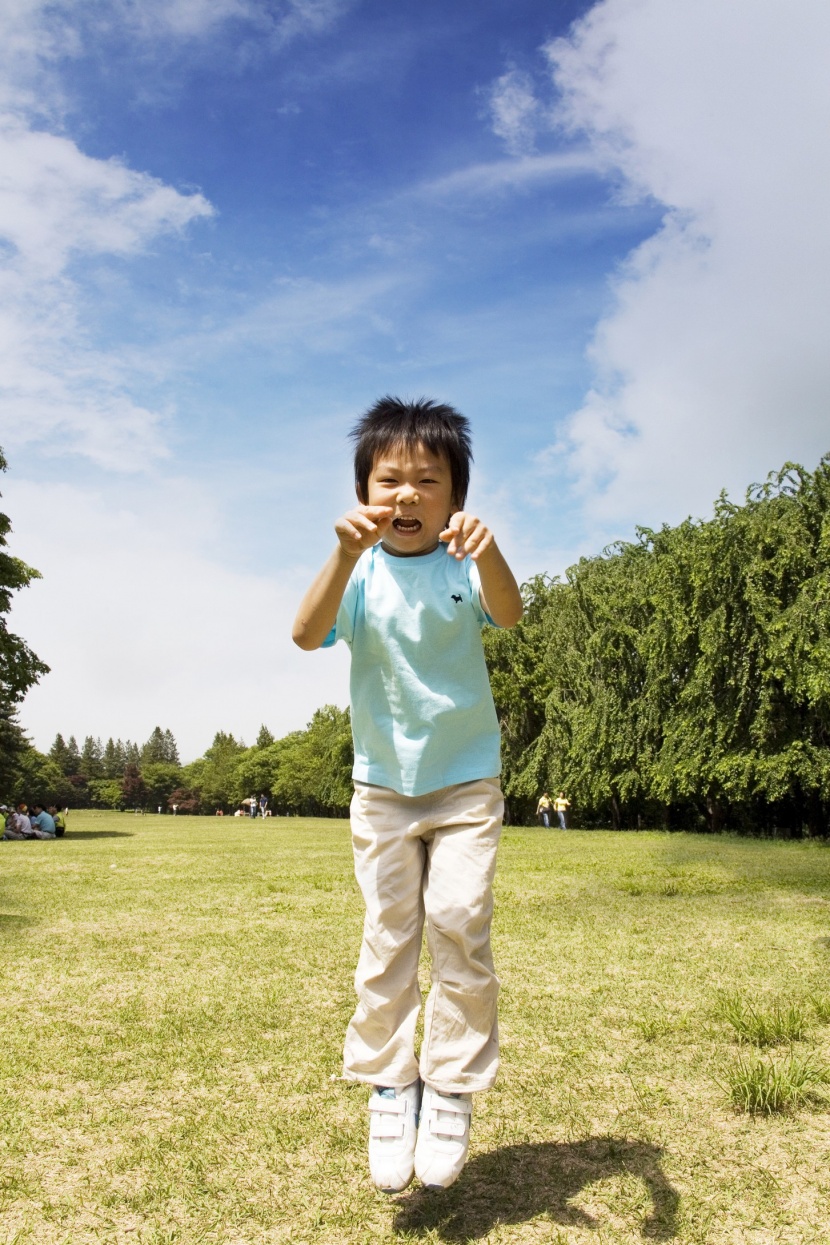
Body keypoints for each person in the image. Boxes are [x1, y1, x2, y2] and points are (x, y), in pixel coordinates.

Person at [293, 396, 523, 1194]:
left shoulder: (465, 562)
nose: (408, 494)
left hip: (465, 785)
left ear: (455, 497)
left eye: (429, 479)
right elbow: (304, 631)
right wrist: (337, 555)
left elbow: (511, 611)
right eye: (390, 479)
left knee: (459, 923)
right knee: (390, 934)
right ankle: (393, 1084)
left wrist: (489, 551)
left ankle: (452, 1084)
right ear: (365, 494)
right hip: (383, 788)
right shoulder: (358, 573)